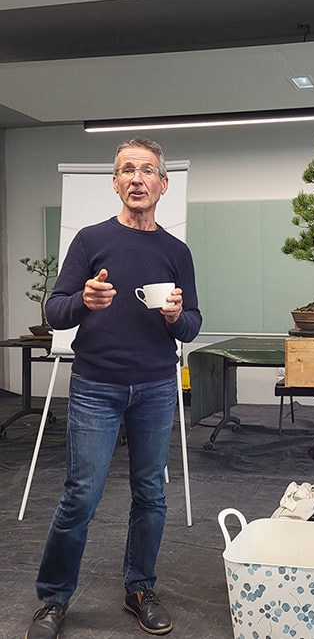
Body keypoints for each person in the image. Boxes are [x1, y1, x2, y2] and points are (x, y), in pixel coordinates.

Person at [25, 138, 202, 638]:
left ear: (163, 185)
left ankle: (140, 588)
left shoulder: (176, 251)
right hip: (95, 386)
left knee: (151, 494)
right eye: (127, 170)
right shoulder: (89, 240)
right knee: (81, 495)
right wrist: (83, 299)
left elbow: (191, 324)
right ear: (115, 182)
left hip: (155, 386)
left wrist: (175, 316)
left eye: (147, 170)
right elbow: (55, 311)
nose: (137, 178)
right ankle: (54, 599)